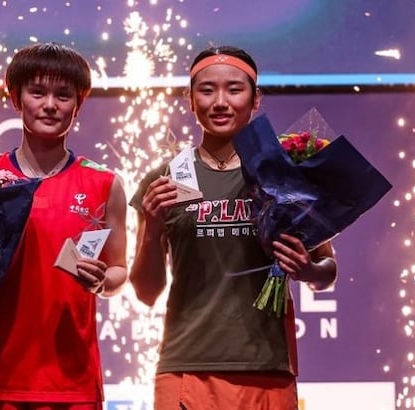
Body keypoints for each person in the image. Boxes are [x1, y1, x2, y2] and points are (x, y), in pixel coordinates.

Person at [129, 45, 337, 409]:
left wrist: (307, 270)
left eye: (234, 89)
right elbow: (146, 292)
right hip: (186, 368)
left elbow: (327, 273)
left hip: (268, 367)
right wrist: (152, 228)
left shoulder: (286, 174)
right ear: (190, 99)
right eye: (207, 90)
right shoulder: (163, 181)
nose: (220, 102)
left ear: (256, 99)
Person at [0, 42, 128, 410]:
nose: (50, 105)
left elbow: (119, 270)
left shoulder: (105, 183)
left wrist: (103, 281)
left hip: (72, 385)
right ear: (16, 98)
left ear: (79, 104)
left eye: (63, 95)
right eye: (37, 92)